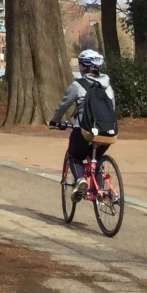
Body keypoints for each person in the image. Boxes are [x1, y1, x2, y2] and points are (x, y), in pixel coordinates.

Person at [50, 49, 117, 197]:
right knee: (96, 159)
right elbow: (112, 109)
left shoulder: (77, 85)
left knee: (74, 156)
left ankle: (80, 180)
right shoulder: (108, 87)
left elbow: (63, 105)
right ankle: (100, 191)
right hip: (107, 133)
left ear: (83, 66)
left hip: (84, 131)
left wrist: (55, 120)